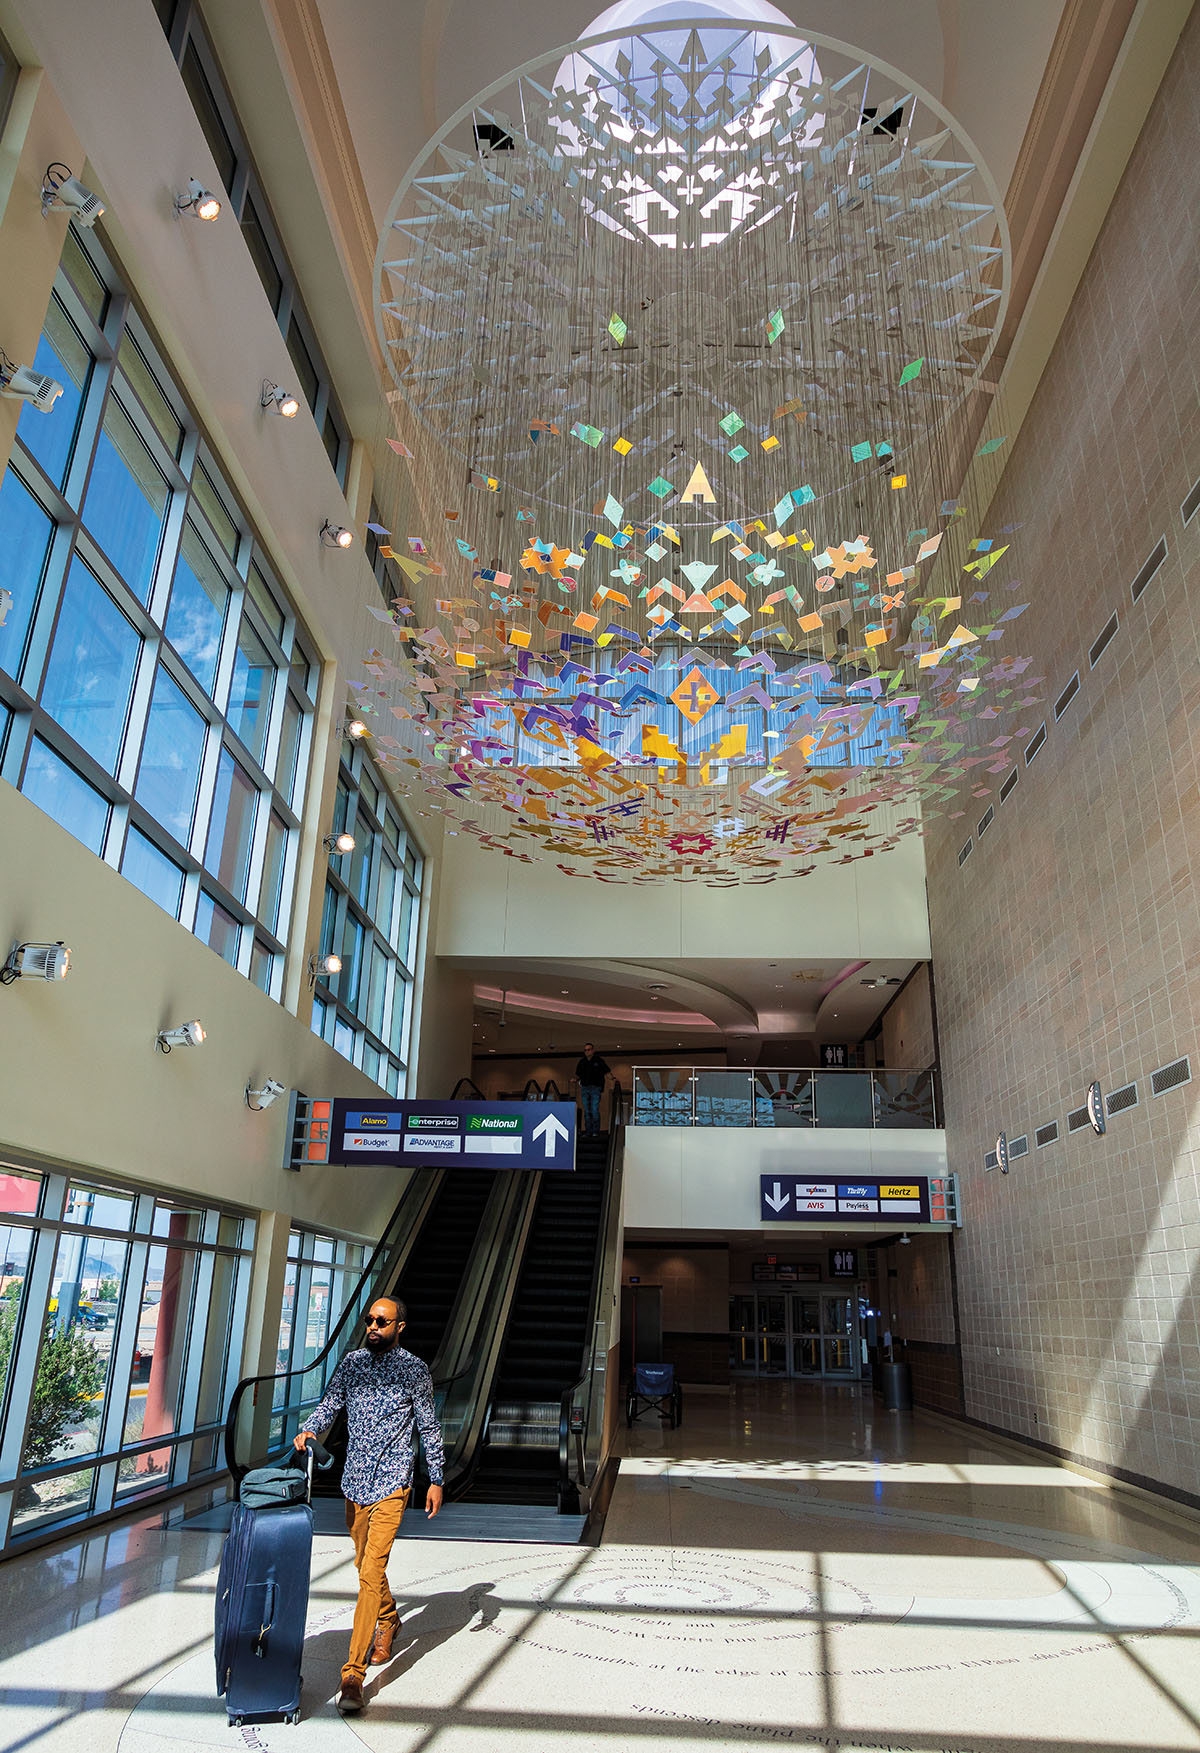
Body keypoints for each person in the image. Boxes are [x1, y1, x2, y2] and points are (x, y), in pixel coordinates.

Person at [294, 1295, 443, 1716]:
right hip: (354, 1482)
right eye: (369, 1319)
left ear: (400, 1327)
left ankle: (353, 1675)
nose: (373, 1326)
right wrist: (309, 1430)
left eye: (382, 1320)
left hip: (394, 1481)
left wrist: (436, 1478)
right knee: (365, 1566)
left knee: (370, 1572)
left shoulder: (415, 1370)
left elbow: (429, 1426)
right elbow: (330, 1404)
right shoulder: (353, 1363)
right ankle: (390, 1618)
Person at [574, 1041, 611, 1137]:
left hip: (596, 1087)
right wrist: (575, 1079)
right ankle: (588, 1131)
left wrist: (613, 1078)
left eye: (589, 1050)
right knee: (586, 1110)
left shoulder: (599, 1061)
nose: (587, 1052)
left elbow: (607, 1072)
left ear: (593, 1050)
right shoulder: (582, 1062)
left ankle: (595, 1131)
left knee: (594, 1109)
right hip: (585, 1087)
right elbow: (578, 1075)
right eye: (585, 1050)